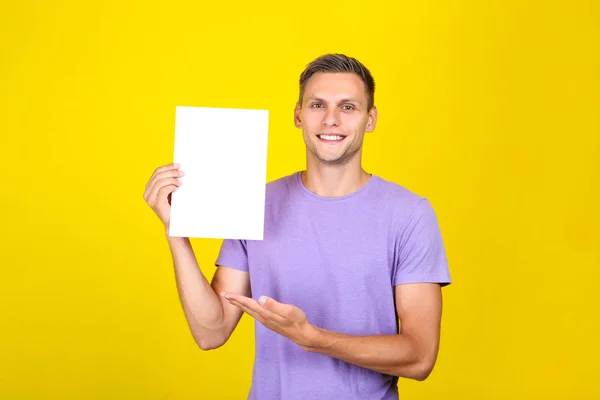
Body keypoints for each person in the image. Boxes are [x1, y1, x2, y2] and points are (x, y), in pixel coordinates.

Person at [143, 53, 451, 400]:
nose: (331, 120)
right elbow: (210, 332)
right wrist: (177, 232)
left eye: (348, 107)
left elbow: (420, 356)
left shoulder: (409, 214)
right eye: (318, 105)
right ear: (298, 115)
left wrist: (312, 338)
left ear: (370, 119)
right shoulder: (253, 203)